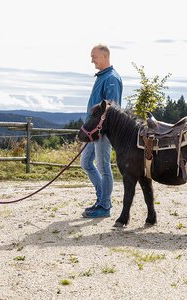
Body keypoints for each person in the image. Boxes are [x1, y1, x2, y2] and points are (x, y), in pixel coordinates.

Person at [81, 44, 123, 218]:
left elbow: (111, 108)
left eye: (94, 56)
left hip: (102, 132)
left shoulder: (111, 78)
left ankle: (104, 206)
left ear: (105, 56)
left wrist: (99, 130)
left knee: (103, 167)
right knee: (86, 163)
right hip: (93, 130)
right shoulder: (103, 76)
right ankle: (102, 198)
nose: (92, 60)